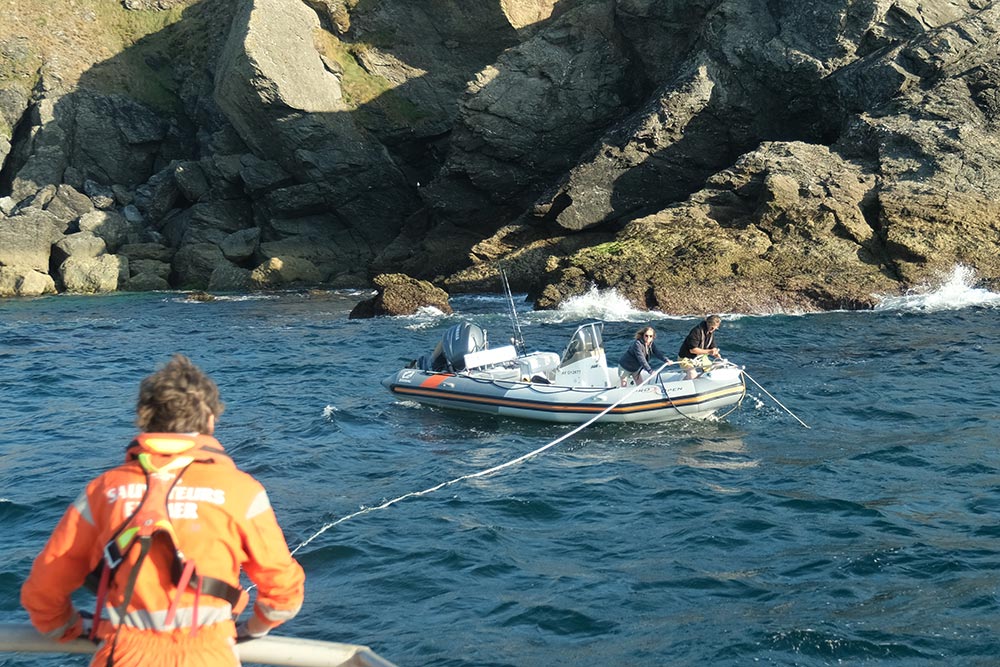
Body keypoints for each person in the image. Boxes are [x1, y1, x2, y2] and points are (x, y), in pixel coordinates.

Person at [21, 354, 305, 667]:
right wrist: (253, 629)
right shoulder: (242, 491)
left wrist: (69, 630)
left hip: (121, 655)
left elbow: (43, 592)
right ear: (210, 418)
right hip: (209, 656)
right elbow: (283, 592)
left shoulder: (102, 491)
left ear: (145, 417)